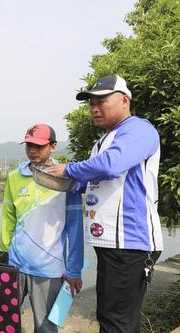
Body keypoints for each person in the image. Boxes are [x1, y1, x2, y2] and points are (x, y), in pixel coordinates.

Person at [46, 74, 163, 333]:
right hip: (110, 243)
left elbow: (112, 165)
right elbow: (92, 182)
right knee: (111, 317)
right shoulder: (103, 141)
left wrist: (68, 169)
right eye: (90, 103)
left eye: (101, 100)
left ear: (124, 100)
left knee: (116, 322)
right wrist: (59, 180)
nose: (94, 107)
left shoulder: (139, 129)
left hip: (130, 242)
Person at [0, 123, 83, 333]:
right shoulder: (13, 177)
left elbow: (74, 229)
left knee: (47, 326)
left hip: (51, 269)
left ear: (53, 146)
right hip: (16, 265)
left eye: (39, 146)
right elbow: (7, 219)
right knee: (4, 321)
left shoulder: (67, 179)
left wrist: (74, 270)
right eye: (29, 145)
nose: (32, 150)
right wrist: (4, 256)